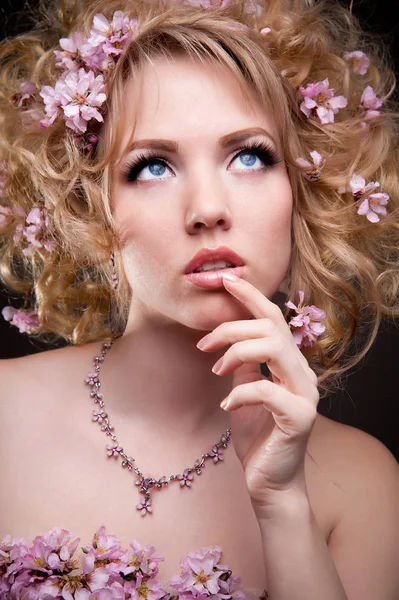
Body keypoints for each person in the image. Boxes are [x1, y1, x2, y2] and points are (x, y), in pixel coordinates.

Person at [0, 0, 398, 598]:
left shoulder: (363, 482)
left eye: (249, 156)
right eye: (153, 166)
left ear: (304, 188)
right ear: (90, 206)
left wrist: (283, 506)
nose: (209, 209)